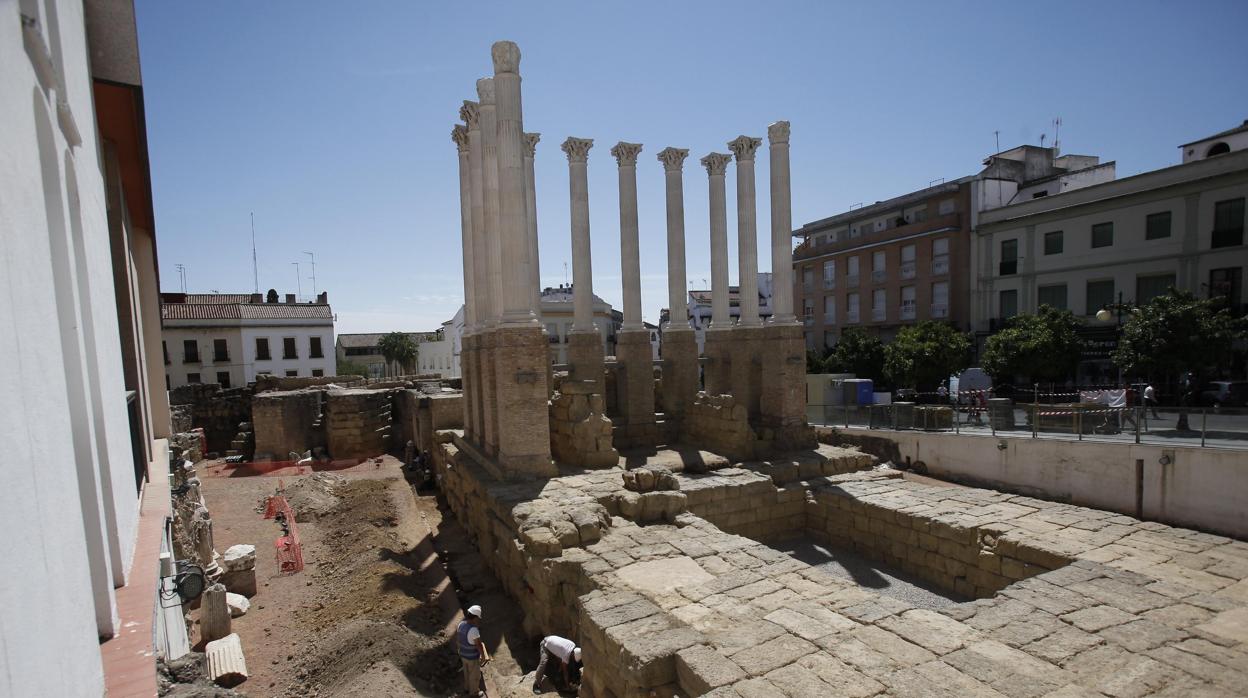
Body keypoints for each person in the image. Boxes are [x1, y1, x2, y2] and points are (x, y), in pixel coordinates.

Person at [456, 604, 489, 697]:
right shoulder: (474, 630)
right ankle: (474, 693)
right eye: (478, 618)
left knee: (466, 673)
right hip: (472, 658)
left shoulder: (461, 624)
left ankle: (467, 688)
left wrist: (459, 651)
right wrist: (483, 657)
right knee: (474, 676)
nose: (478, 620)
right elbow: (479, 645)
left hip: (463, 655)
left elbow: (458, 640)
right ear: (475, 617)